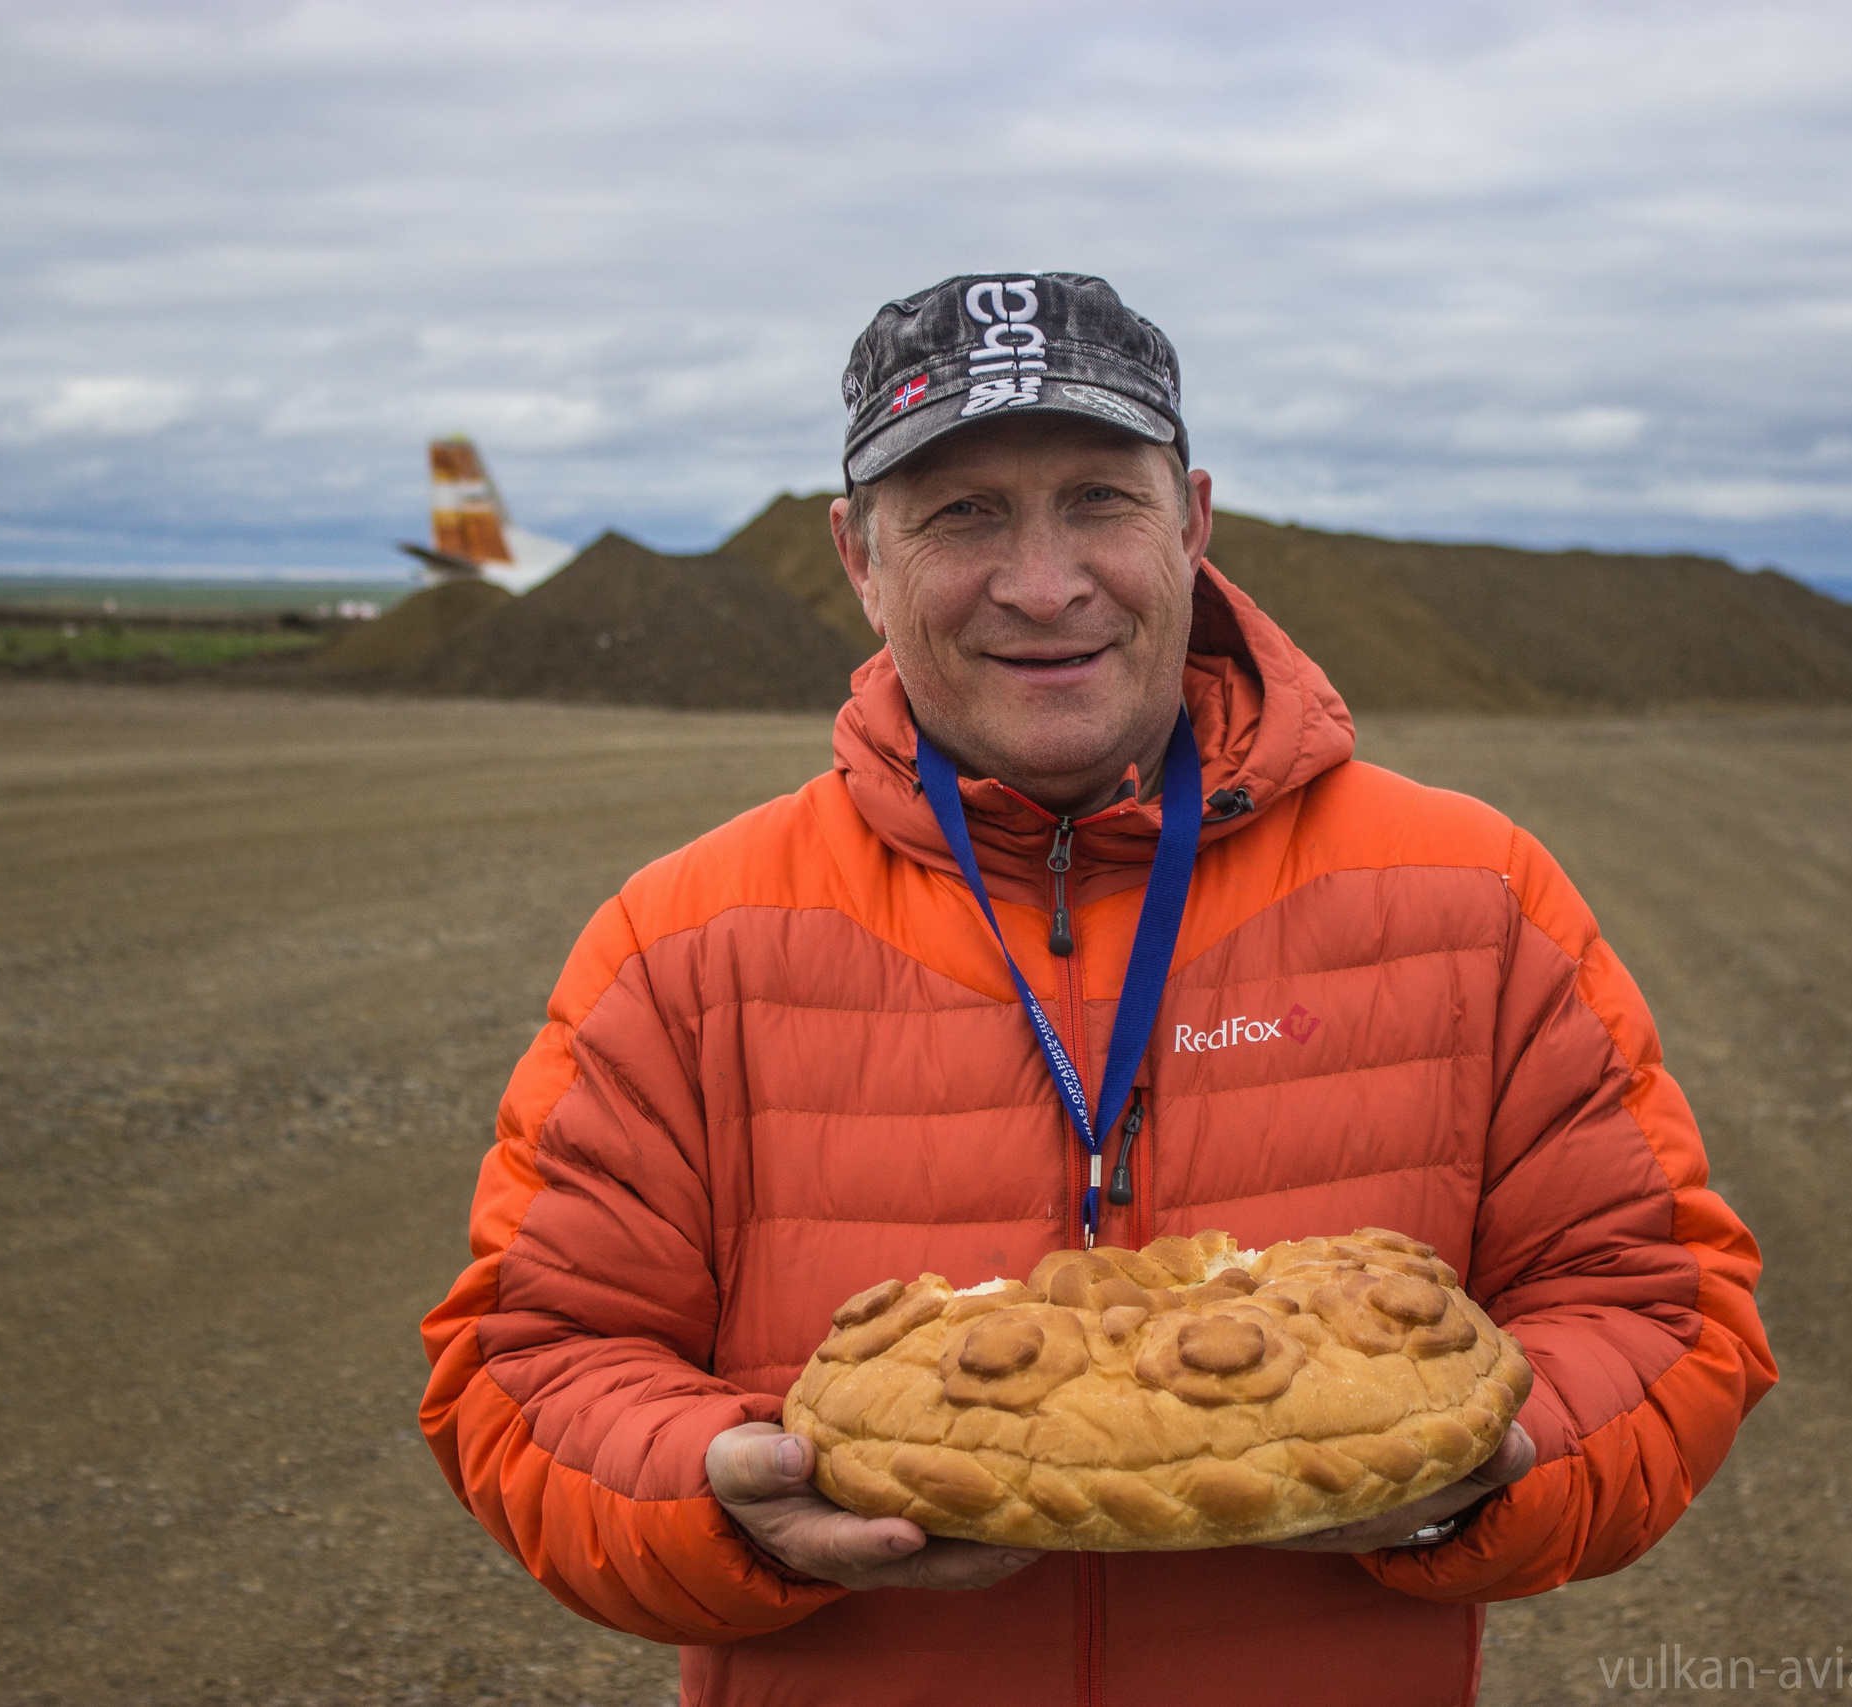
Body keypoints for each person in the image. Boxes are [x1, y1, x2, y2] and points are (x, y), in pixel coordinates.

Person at [419, 272, 1776, 1707]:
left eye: (1098, 500)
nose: (1044, 582)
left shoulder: (1476, 897)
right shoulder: (681, 941)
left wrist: (1491, 1462)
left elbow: (1663, 1308)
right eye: (962, 513)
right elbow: (527, 1366)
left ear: (1191, 521)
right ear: (858, 556)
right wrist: (713, 1496)